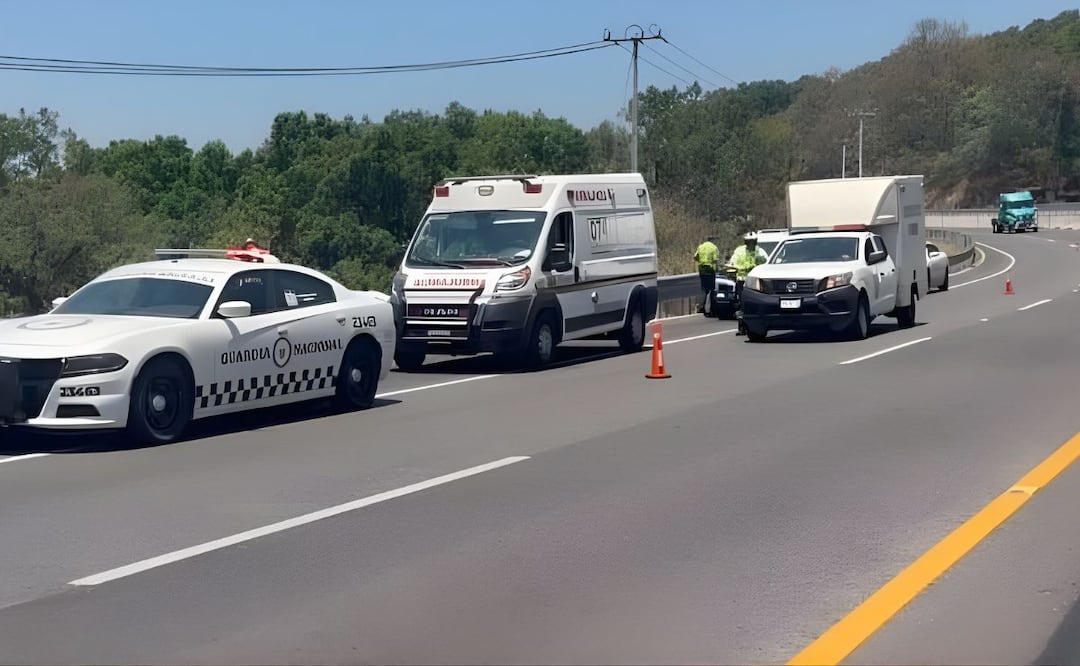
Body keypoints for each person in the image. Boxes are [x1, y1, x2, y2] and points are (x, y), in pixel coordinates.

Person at [728, 232, 769, 334]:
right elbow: (732, 264)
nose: (751, 243)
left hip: (756, 281)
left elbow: (767, 263)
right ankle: (742, 328)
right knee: (742, 305)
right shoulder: (739, 251)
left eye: (753, 241)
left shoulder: (760, 252)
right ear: (745, 241)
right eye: (749, 241)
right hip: (742, 281)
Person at [693, 236, 720, 313]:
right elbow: (715, 259)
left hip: (702, 269)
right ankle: (711, 307)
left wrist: (701, 261)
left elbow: (695, 257)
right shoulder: (714, 248)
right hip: (710, 269)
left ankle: (702, 306)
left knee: (704, 288)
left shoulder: (701, 247)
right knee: (711, 288)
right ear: (712, 241)